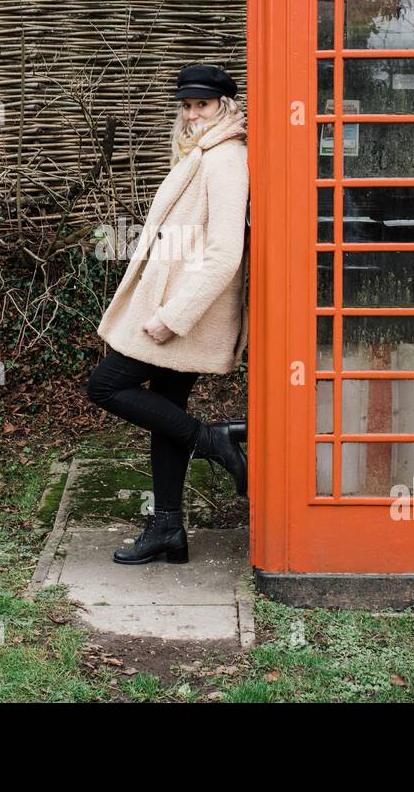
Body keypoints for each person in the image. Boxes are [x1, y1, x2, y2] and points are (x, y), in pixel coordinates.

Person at [86, 63, 250, 566]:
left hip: (185, 314)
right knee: (167, 414)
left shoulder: (225, 158)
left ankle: (214, 439)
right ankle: (168, 529)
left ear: (225, 105)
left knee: (106, 386)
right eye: (187, 104)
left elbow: (225, 253)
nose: (193, 112)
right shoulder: (200, 153)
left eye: (203, 104)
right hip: (174, 306)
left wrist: (173, 317)